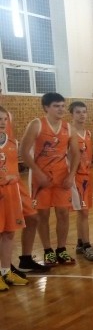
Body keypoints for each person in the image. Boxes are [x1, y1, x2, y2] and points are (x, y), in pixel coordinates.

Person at [18, 92, 80, 266]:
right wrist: (37, 173)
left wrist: (71, 175)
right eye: (56, 106)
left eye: (62, 106)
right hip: (41, 178)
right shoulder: (37, 124)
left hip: (62, 177)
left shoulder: (69, 128)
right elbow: (23, 152)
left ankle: (61, 249)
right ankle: (47, 251)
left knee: (63, 213)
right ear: (46, 107)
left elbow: (76, 154)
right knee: (42, 215)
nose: (61, 109)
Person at [0, 81, 47, 275]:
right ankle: (5, 267)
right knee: (4, 228)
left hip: (13, 180)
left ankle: (25, 259)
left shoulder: (7, 116)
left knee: (32, 217)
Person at [0, 104, 29, 290]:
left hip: (11, 194)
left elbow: (15, 171)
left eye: (5, 119)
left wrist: (14, 177)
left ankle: (6, 272)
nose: (2, 123)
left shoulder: (12, 143)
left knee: (9, 232)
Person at [69, 101, 93, 261]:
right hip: (76, 177)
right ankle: (87, 245)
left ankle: (80, 243)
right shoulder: (69, 133)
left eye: (84, 112)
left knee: (83, 211)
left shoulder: (88, 133)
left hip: (88, 175)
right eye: (78, 112)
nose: (82, 115)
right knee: (83, 212)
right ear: (72, 114)